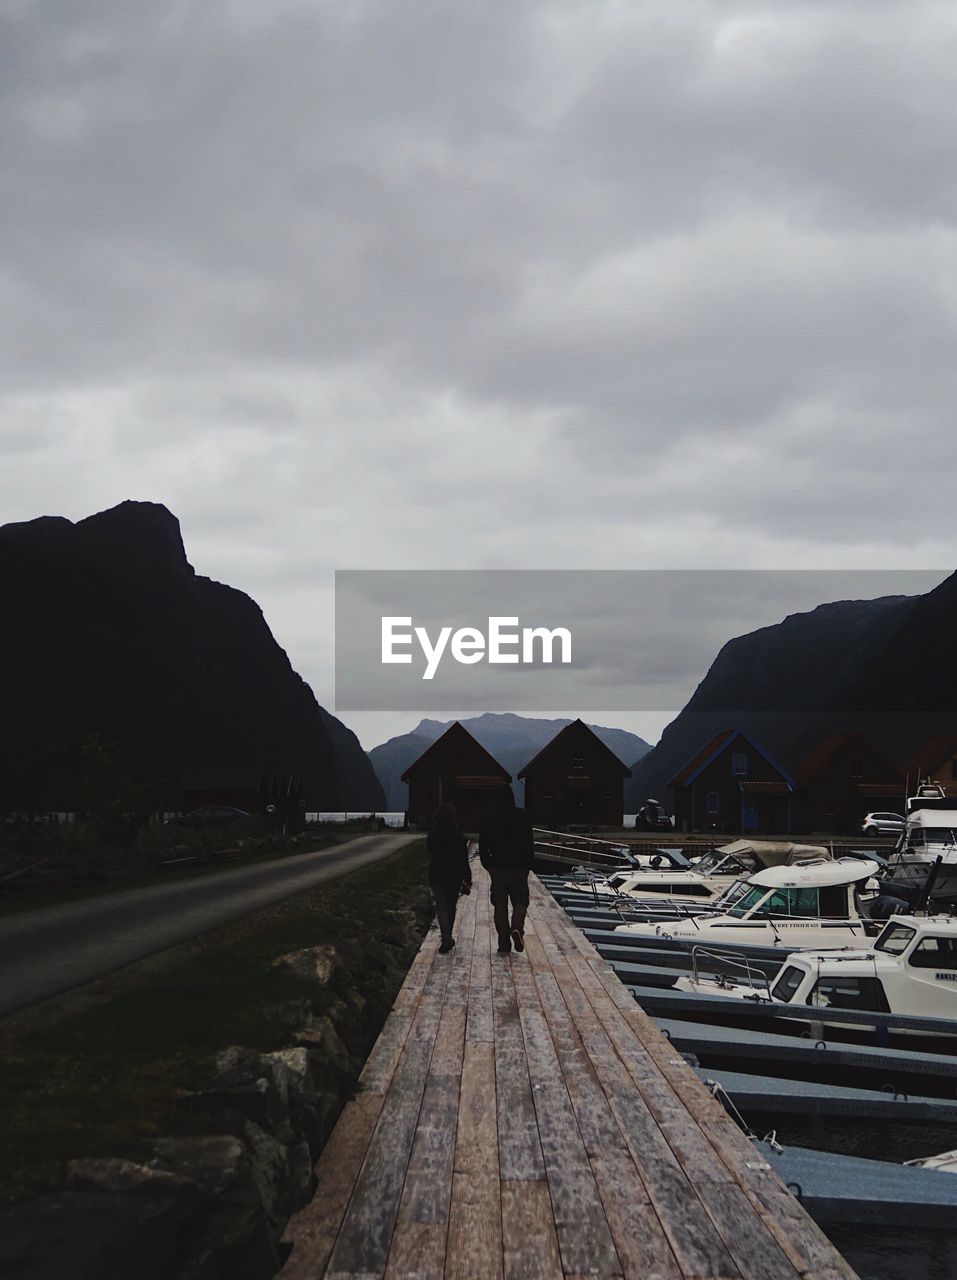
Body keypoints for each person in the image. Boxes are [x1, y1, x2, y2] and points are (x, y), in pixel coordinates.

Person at [479, 785, 534, 954]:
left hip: (498, 868)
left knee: (500, 907)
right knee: (521, 902)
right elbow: (529, 842)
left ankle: (504, 944)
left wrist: (488, 865)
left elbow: (483, 845)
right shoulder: (523, 815)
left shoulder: (489, 817)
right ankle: (517, 928)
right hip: (519, 867)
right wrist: (528, 865)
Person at [427, 802, 471, 954]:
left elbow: (430, 850)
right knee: (451, 906)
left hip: (436, 873)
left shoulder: (433, 832)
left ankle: (446, 938)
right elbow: (463, 857)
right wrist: (467, 877)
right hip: (454, 875)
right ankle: (448, 937)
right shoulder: (458, 834)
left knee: (441, 907)